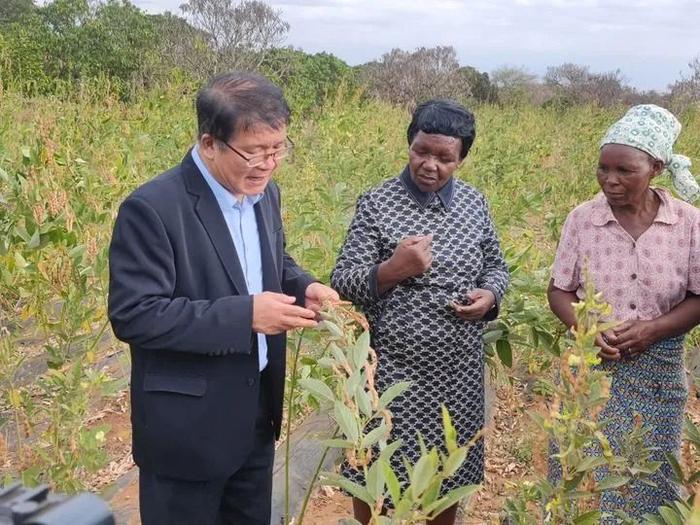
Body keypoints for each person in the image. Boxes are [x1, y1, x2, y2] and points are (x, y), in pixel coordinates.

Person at [107, 72, 338, 525]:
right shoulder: (153, 208)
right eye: (253, 152)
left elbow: (270, 259)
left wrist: (303, 285)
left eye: (278, 150)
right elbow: (134, 314)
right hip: (187, 429)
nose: (268, 164)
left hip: (254, 416)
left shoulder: (264, 193)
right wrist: (246, 315)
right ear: (209, 142)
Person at [331, 99, 509, 524]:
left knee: (445, 473)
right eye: (421, 151)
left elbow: (496, 266)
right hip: (387, 373)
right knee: (376, 472)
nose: (430, 164)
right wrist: (393, 270)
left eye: (445, 157)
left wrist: (489, 296)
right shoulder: (377, 203)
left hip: (456, 375)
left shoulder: (473, 204)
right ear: (409, 144)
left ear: (461, 158)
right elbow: (343, 280)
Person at [548, 104, 700, 520]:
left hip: (660, 371)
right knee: (579, 467)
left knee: (647, 470)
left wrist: (653, 329)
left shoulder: (687, 223)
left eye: (624, 170)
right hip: (592, 367)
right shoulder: (583, 219)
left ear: (655, 167)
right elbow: (559, 290)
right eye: (603, 168)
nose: (610, 181)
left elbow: (699, 297)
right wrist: (586, 327)